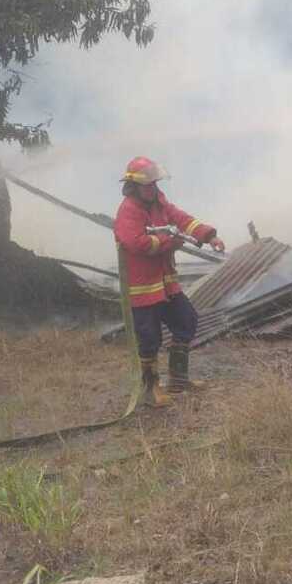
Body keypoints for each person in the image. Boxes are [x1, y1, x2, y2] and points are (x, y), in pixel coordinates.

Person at [114, 156, 226, 407]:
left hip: (165, 284)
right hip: (142, 289)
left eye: (154, 184)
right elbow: (137, 242)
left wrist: (210, 236)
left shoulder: (159, 202)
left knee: (186, 320)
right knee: (149, 338)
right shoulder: (128, 211)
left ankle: (178, 380)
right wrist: (168, 243)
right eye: (147, 185)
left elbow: (183, 219)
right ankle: (150, 389)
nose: (153, 189)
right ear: (133, 186)